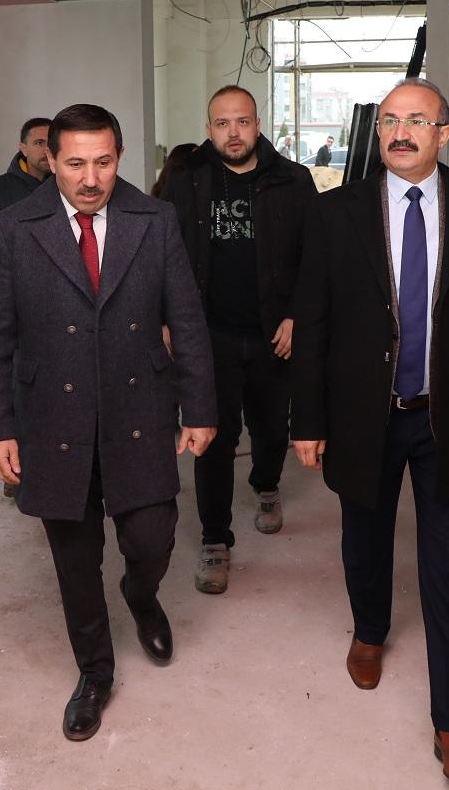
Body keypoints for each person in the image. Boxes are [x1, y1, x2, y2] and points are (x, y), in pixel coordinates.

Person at [292, 78, 449, 786]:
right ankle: (369, 628)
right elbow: (314, 325)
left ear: (443, 134)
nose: (399, 131)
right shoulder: (336, 213)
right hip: (364, 415)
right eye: (389, 119)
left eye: (416, 120)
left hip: (447, 417)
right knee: (364, 536)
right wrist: (308, 420)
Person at [0, 104, 217, 741]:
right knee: (75, 562)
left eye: (103, 162)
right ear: (49, 159)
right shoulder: (13, 226)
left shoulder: (154, 219)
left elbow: (187, 318)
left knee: (153, 539)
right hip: (53, 417)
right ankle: (94, 672)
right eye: (75, 163)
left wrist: (199, 407)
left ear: (119, 157)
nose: (90, 178)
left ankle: (141, 595)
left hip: (140, 409)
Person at [164, 85, 316, 594]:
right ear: (208, 129)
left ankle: (266, 484)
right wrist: (166, 319)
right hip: (208, 336)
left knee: (271, 429)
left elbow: (316, 258)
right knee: (212, 438)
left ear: (258, 124)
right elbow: (162, 256)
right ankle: (214, 538)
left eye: (243, 121)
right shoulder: (186, 180)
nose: (234, 132)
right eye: (223, 123)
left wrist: (297, 315)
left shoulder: (293, 181)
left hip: (274, 334)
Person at [0, 117, 51, 309]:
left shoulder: (66, 187)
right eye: (39, 143)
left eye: (51, 143)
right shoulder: (0, 188)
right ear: (23, 148)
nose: (47, 150)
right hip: (13, 296)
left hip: (58, 297)